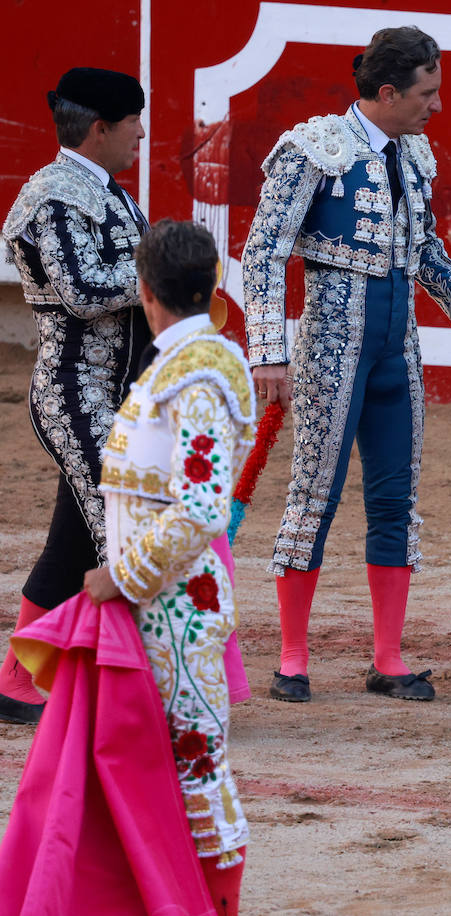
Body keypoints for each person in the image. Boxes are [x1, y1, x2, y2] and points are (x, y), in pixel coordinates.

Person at [241, 26, 451, 703]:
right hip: (332, 349)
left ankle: (388, 658)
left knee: (395, 500)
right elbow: (264, 251)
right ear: (388, 93)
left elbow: (421, 244)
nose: (436, 106)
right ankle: (292, 658)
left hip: (396, 351)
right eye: (427, 92)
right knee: (312, 497)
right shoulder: (313, 149)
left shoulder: (412, 153)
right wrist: (268, 351)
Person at [83, 219, 253, 913]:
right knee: (166, 764)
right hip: (158, 607)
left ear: (146, 292)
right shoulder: (181, 364)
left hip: (178, 611)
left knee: (194, 764)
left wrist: (121, 576)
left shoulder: (196, 373)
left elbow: (203, 507)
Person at [0, 67, 151, 725]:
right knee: (121, 530)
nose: (141, 133)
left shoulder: (105, 191)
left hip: (114, 395)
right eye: (133, 123)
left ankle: (14, 677)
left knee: (75, 542)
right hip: (74, 393)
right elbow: (82, 293)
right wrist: (160, 274)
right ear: (101, 130)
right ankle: (129, 683)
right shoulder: (55, 197)